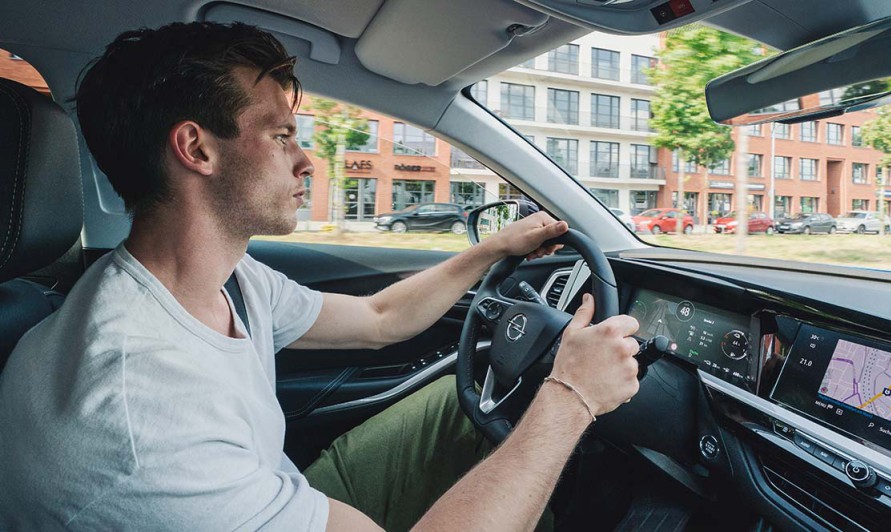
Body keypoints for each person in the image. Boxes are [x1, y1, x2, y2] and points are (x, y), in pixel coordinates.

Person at [0, 22, 641, 531]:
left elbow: (378, 319)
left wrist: (492, 249)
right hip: (257, 501)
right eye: (281, 135)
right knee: (536, 427)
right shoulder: (144, 415)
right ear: (196, 149)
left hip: (281, 495)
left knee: (463, 410)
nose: (306, 160)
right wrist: (572, 398)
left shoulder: (220, 280)